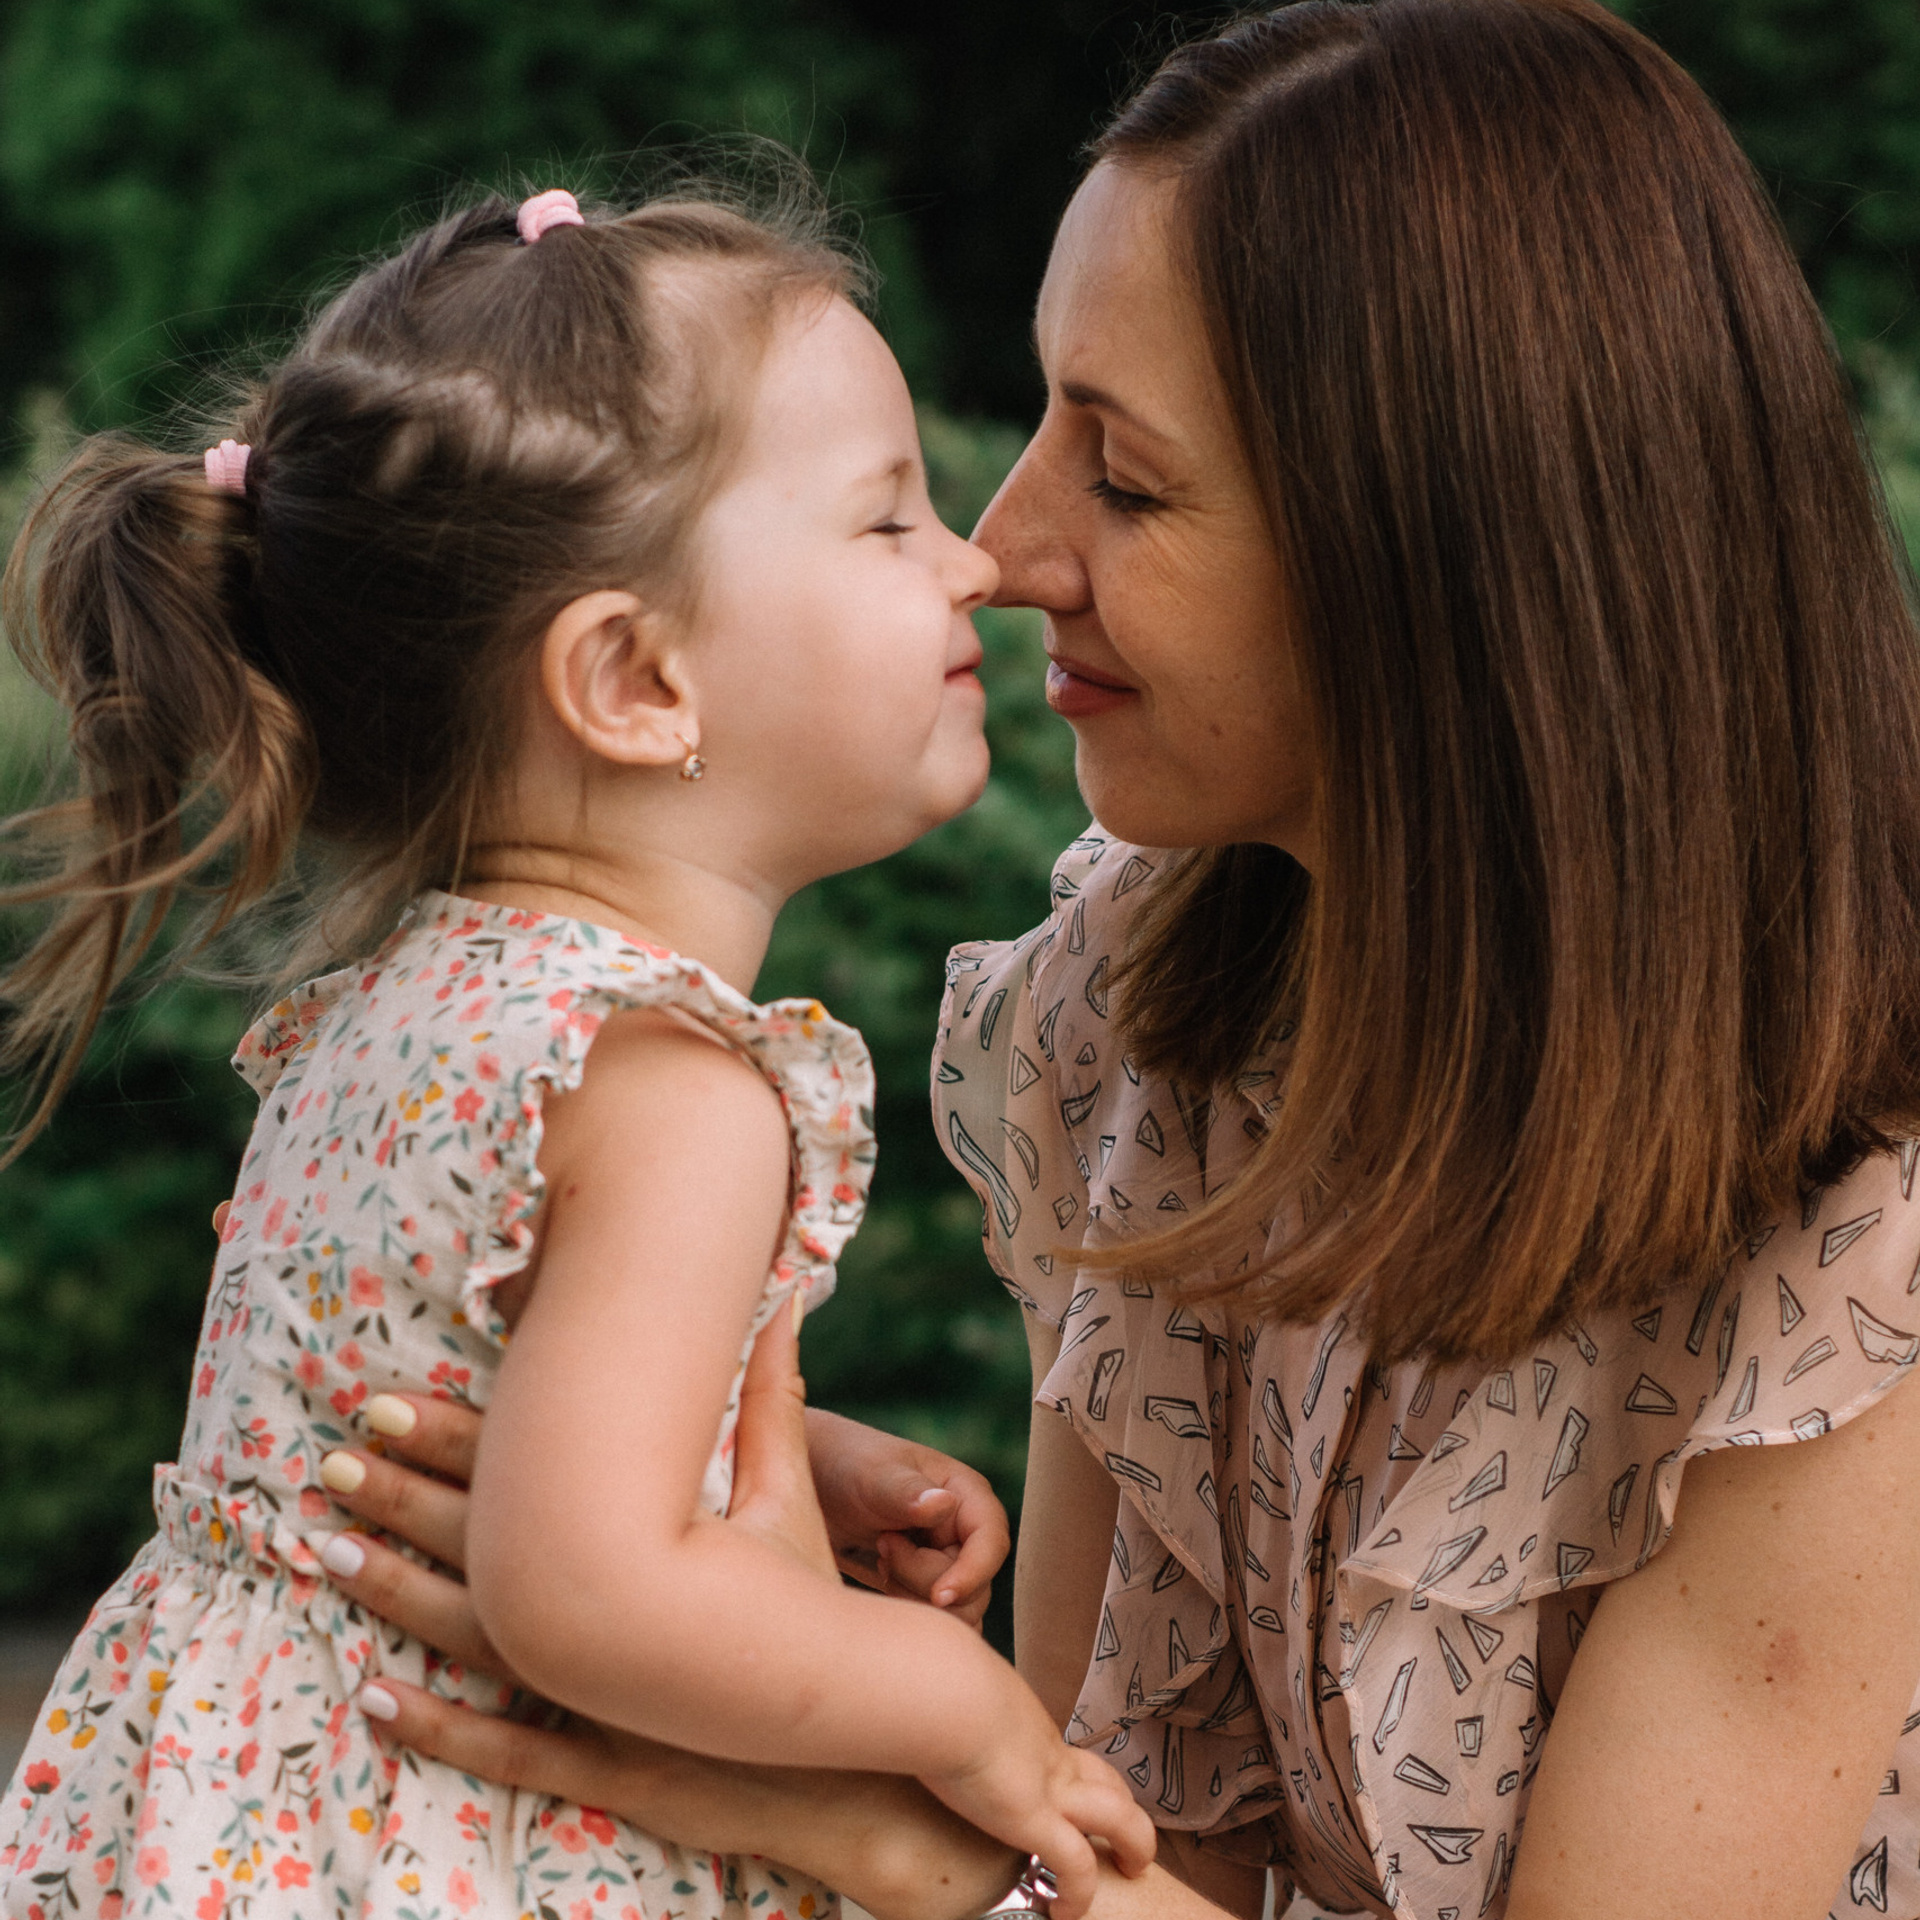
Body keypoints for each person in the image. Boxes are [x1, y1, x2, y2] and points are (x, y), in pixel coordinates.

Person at [286, 2, 1920, 1917]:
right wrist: (724, 1567)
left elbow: (1055, 1863)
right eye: (1040, 416)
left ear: (1452, 566)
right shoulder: (1149, 1018)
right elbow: (1154, 1841)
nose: (998, 544)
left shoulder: (1859, 1270)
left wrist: (886, 1819)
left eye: (1127, 482)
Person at [0, 182, 1161, 1920]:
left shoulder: (419, 1004)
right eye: (887, 522)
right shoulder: (671, 1084)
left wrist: (781, 1448)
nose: (975, 562)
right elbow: (585, 1598)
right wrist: (960, 1711)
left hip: (247, 1810)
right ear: (634, 680)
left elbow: (456, 1388)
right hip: (455, 1851)